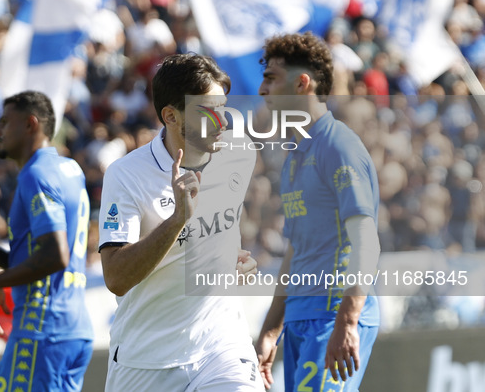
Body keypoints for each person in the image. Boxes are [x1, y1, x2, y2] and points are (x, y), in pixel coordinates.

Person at [98, 53, 264, 391]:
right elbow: (116, 277)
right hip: (146, 360)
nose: (222, 122)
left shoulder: (235, 154)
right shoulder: (126, 175)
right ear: (171, 116)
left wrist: (233, 260)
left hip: (222, 345)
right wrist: (177, 220)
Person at [255, 33, 381, 391]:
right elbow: (294, 253)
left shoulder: (339, 147)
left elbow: (366, 243)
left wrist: (348, 322)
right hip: (300, 319)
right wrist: (270, 331)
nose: (262, 90)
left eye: (271, 78)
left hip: (332, 316)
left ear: (302, 83)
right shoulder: (294, 157)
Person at [0, 91, 93, 392]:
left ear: (31, 124)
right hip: (73, 330)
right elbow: (48, 261)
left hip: (42, 330)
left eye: (6, 122)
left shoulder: (36, 174)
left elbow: (55, 256)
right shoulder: (70, 170)